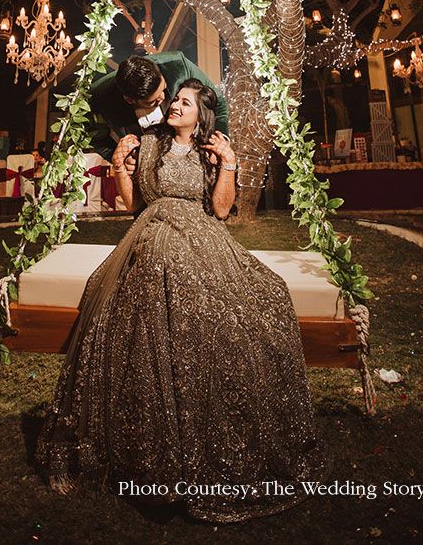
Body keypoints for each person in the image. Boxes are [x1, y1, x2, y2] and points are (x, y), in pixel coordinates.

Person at [38, 78, 329, 523]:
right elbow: (134, 205)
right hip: (152, 229)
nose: (175, 105)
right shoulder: (149, 144)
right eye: (175, 99)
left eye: (185, 102)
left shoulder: (210, 150)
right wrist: (120, 166)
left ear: (201, 115)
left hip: (202, 232)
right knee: (158, 260)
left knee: (266, 293)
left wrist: (228, 164)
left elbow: (221, 210)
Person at [88, 51, 230, 171]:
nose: (162, 98)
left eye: (163, 89)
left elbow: (219, 103)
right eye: (153, 101)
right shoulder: (99, 98)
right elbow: (97, 139)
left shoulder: (179, 65)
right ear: (130, 100)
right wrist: (121, 160)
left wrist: (220, 139)